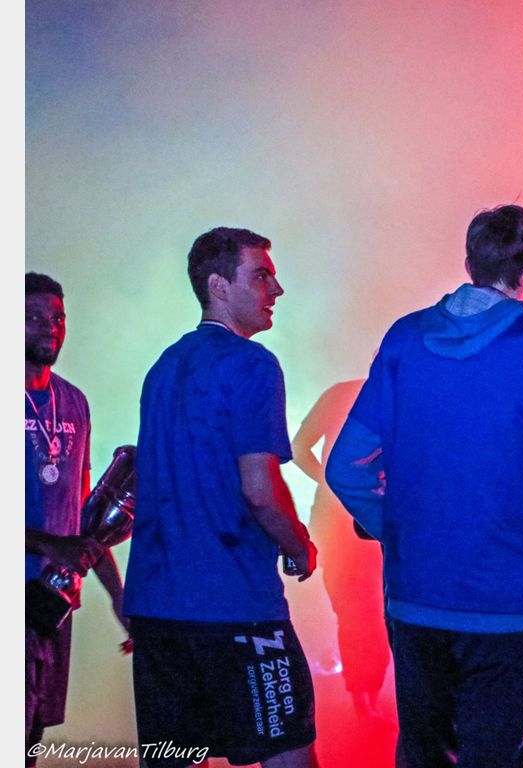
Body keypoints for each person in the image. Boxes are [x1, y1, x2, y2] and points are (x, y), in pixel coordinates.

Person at [327, 204, 523, 768]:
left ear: (471, 263)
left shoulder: (404, 338)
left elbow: (347, 467)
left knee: (425, 756)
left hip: (416, 598)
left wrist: (400, 528)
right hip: (510, 602)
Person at [124, 228, 319, 768]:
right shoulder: (252, 363)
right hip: (235, 605)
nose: (276, 288)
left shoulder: (163, 368)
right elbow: (259, 490)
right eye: (261, 276)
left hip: (156, 609)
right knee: (286, 753)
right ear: (218, 286)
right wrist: (299, 544)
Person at [24, 272, 129, 766]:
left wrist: (119, 597)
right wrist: (48, 544)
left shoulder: (74, 402)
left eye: (58, 318)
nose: (50, 328)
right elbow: (62, 539)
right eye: (33, 318)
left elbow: (85, 514)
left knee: (31, 736)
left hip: (54, 602)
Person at [292, 376, 391, 719]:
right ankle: (369, 697)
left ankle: (365, 697)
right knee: (379, 610)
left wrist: (333, 485)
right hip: (373, 520)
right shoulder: (398, 389)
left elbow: (298, 449)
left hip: (340, 519)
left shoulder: (340, 393)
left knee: (356, 612)